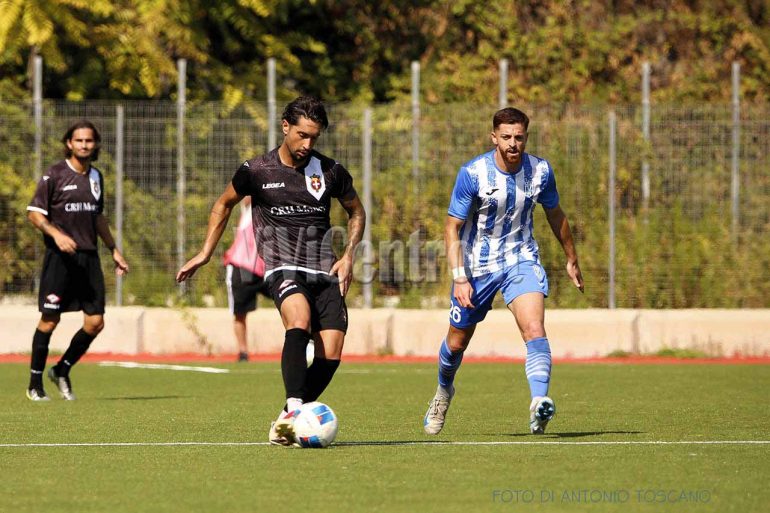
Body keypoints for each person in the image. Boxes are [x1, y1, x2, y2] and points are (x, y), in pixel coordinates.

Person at [176, 96, 365, 446]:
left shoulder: (330, 171)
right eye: (302, 135)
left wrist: (350, 254)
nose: (308, 144)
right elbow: (223, 204)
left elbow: (356, 211)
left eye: (314, 137)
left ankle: (286, 419)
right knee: (298, 320)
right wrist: (204, 252)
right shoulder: (256, 170)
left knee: (332, 352)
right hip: (282, 264)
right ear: (285, 127)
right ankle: (295, 408)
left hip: (324, 268)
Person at [422, 107, 584, 435]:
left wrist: (571, 257)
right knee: (456, 344)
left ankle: (539, 403)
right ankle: (443, 391)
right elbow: (452, 226)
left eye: (519, 137)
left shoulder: (540, 171)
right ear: (494, 137)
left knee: (534, 328)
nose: (513, 143)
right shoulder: (473, 174)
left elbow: (555, 213)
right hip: (475, 268)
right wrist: (459, 276)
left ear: (526, 137)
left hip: (520, 259)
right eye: (506, 137)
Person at [25, 120, 129, 401]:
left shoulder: (96, 176)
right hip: (60, 259)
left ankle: (61, 369)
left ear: (95, 145)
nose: (84, 145)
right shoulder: (55, 175)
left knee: (95, 322)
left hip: (89, 258)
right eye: (79, 140)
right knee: (49, 320)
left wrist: (114, 249)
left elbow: (98, 217)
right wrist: (56, 234)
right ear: (69, 143)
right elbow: (34, 213)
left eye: (89, 141)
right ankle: (35, 383)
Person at [222, 197, 271, 362]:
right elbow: (245, 194)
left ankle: (307, 343)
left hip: (267, 269)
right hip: (242, 266)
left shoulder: (276, 212)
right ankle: (243, 353)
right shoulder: (249, 209)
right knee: (240, 313)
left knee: (294, 301)